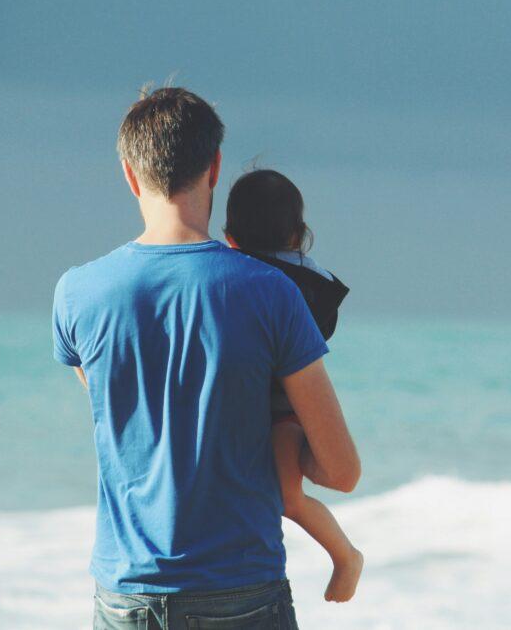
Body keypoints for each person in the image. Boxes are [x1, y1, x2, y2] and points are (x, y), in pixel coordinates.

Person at [51, 87, 361, 629]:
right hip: (240, 591)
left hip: (126, 595)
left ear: (129, 174)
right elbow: (341, 471)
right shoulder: (271, 292)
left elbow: (124, 411)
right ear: (214, 167)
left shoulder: (77, 293)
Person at [224, 169, 364, 603]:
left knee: (287, 496)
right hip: (287, 411)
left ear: (229, 237)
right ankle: (344, 557)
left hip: (285, 411)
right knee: (287, 496)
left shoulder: (232, 277)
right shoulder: (313, 280)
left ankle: (346, 556)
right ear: (299, 234)